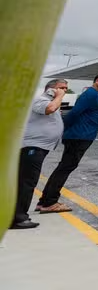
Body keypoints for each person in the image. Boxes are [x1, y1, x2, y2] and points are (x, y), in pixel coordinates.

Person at [37, 72, 98, 214]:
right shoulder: (90, 94)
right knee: (65, 168)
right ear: (97, 80)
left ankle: (45, 201)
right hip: (79, 137)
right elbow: (74, 113)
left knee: (64, 168)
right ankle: (49, 202)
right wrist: (62, 128)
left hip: (81, 136)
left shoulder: (94, 94)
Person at [11, 79, 68, 229]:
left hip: (38, 147)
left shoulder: (50, 100)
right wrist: (58, 96)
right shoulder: (41, 100)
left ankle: (17, 215)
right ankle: (18, 219)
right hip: (32, 147)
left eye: (66, 89)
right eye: (61, 88)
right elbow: (49, 109)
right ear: (50, 89)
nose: (64, 91)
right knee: (27, 182)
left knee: (26, 181)